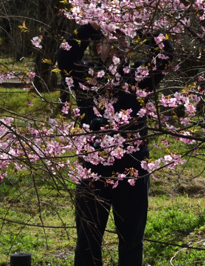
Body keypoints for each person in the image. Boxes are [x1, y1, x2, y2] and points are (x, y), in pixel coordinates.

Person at [57, 22, 171, 266]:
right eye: (111, 41)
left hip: (132, 170)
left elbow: (166, 57)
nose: (118, 46)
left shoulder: (139, 78)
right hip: (92, 171)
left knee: (131, 242)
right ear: (98, 48)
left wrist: (140, 23)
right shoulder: (85, 76)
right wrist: (92, 26)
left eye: (123, 41)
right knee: (87, 241)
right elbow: (64, 57)